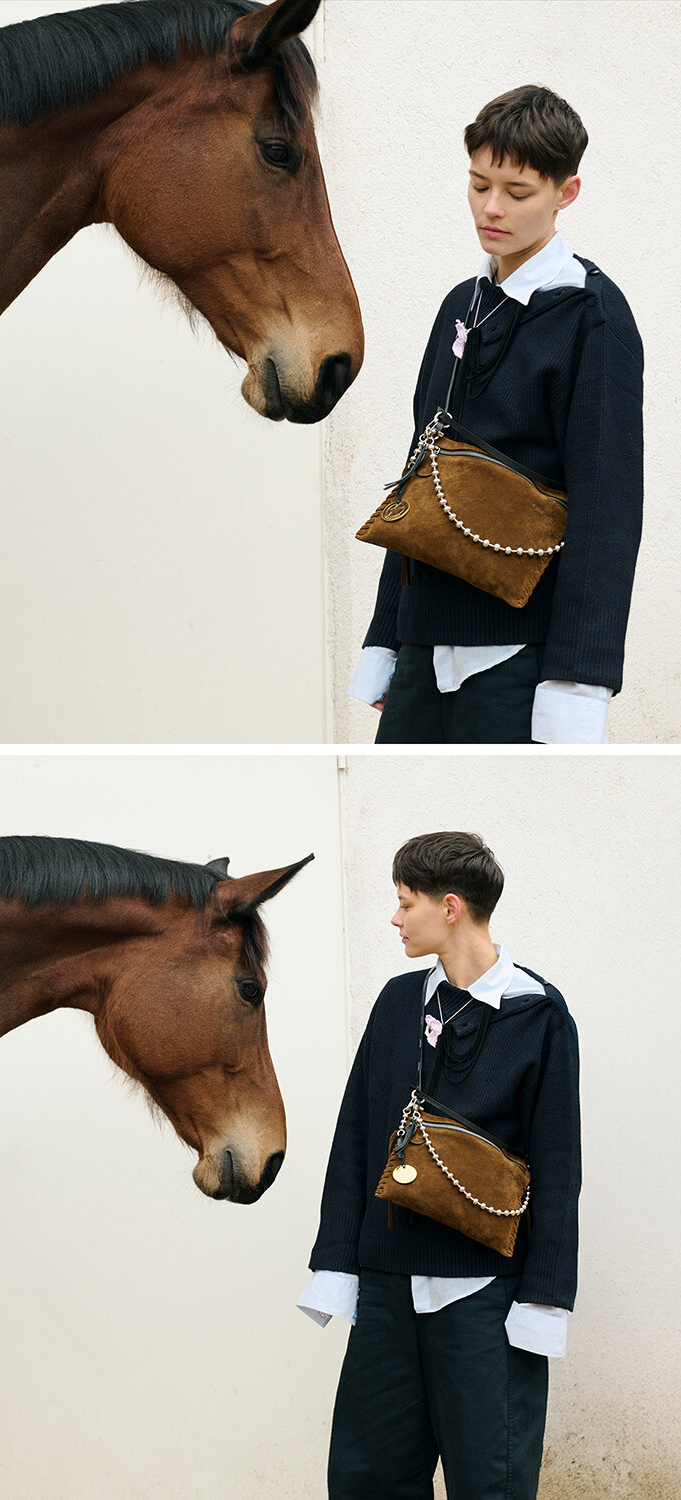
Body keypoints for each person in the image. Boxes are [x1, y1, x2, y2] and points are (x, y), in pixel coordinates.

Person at [351, 86, 643, 743]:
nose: (491, 207)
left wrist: (578, 683)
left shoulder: (591, 314)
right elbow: (419, 478)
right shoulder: (463, 302)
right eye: (479, 184)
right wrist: (387, 640)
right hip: (423, 654)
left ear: (566, 193)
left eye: (517, 191)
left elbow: (608, 506)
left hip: (522, 658)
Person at [298, 831, 581, 1500]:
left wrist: (544, 1298)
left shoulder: (539, 1015)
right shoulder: (399, 1003)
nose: (394, 919)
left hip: (485, 1297)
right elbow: (356, 1137)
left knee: (492, 1482)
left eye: (404, 903)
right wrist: (337, 1261)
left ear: (450, 906)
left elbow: (559, 1167)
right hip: (388, 1290)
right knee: (369, 1479)